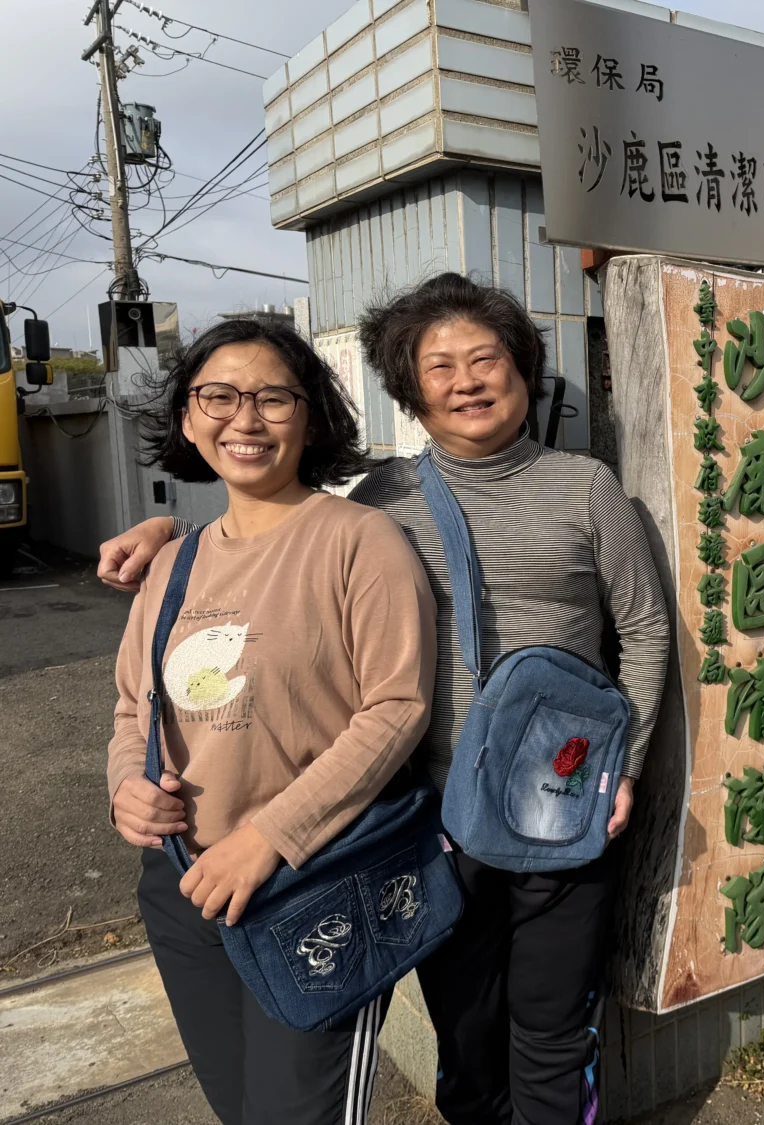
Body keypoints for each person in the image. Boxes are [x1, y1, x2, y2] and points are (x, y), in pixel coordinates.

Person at [100, 273, 671, 1125]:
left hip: (557, 799)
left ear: (524, 370)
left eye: (487, 358)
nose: (467, 381)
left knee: (552, 1029)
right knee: (465, 1037)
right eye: (440, 366)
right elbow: (273, 543)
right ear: (410, 390)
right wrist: (170, 537)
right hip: (431, 816)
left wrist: (623, 767)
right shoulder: (384, 498)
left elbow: (647, 627)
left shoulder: (584, 486)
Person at [107, 318, 437, 1125]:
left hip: (312, 883)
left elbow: (397, 707)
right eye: (218, 396)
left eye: (274, 398)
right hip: (184, 885)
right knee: (241, 1107)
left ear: (311, 418)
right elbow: (132, 705)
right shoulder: (172, 563)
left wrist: (269, 836)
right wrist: (125, 787)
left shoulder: (360, 540)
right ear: (188, 419)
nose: (245, 419)